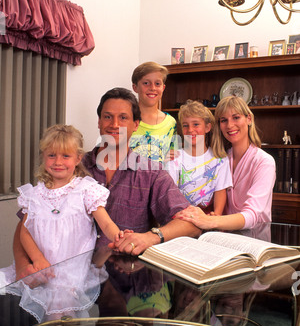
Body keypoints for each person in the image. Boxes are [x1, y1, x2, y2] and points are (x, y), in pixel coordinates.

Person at [0, 124, 127, 321]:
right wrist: (38, 259)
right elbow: (25, 230)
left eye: (65, 156)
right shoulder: (34, 194)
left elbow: (106, 223)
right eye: (52, 155)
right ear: (43, 156)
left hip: (71, 275)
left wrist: (117, 235)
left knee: (58, 321)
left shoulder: (86, 190)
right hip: (41, 271)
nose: (58, 162)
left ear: (77, 158)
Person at [83, 87, 200, 255]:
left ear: (136, 125)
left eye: (123, 118)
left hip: (130, 274)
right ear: (99, 122)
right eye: (108, 117)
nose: (114, 124)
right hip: (75, 274)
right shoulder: (75, 167)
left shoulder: (152, 173)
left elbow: (191, 224)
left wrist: (150, 237)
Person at [175, 95, 276, 231]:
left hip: (255, 236)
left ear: (249, 119)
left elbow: (253, 215)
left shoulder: (264, 162)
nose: (229, 125)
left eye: (236, 117)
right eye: (224, 120)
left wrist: (211, 221)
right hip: (224, 236)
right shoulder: (222, 158)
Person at [166, 100, 232, 215]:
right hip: (181, 215)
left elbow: (220, 191)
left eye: (196, 124)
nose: (190, 130)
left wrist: (216, 216)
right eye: (185, 125)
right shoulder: (175, 158)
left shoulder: (220, 159)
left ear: (207, 127)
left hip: (208, 216)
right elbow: (171, 193)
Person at [129, 61, 177, 163]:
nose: (152, 88)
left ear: (163, 88)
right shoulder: (125, 119)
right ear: (135, 87)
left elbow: (173, 161)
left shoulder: (171, 123)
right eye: (146, 83)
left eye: (157, 83)